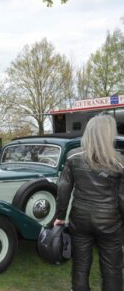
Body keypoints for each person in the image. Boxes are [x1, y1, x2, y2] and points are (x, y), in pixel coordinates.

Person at [54, 115, 123, 291]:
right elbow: (122, 198)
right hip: (110, 222)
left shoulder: (73, 156)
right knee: (112, 270)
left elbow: (63, 190)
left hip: (80, 219)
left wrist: (59, 217)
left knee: (80, 267)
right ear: (109, 134)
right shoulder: (119, 162)